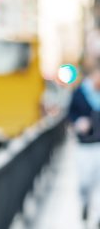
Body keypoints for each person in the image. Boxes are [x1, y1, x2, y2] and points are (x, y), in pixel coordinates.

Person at [67, 64, 100, 227]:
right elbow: (70, 114)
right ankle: (85, 203)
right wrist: (79, 122)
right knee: (85, 182)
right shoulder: (80, 93)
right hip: (84, 145)